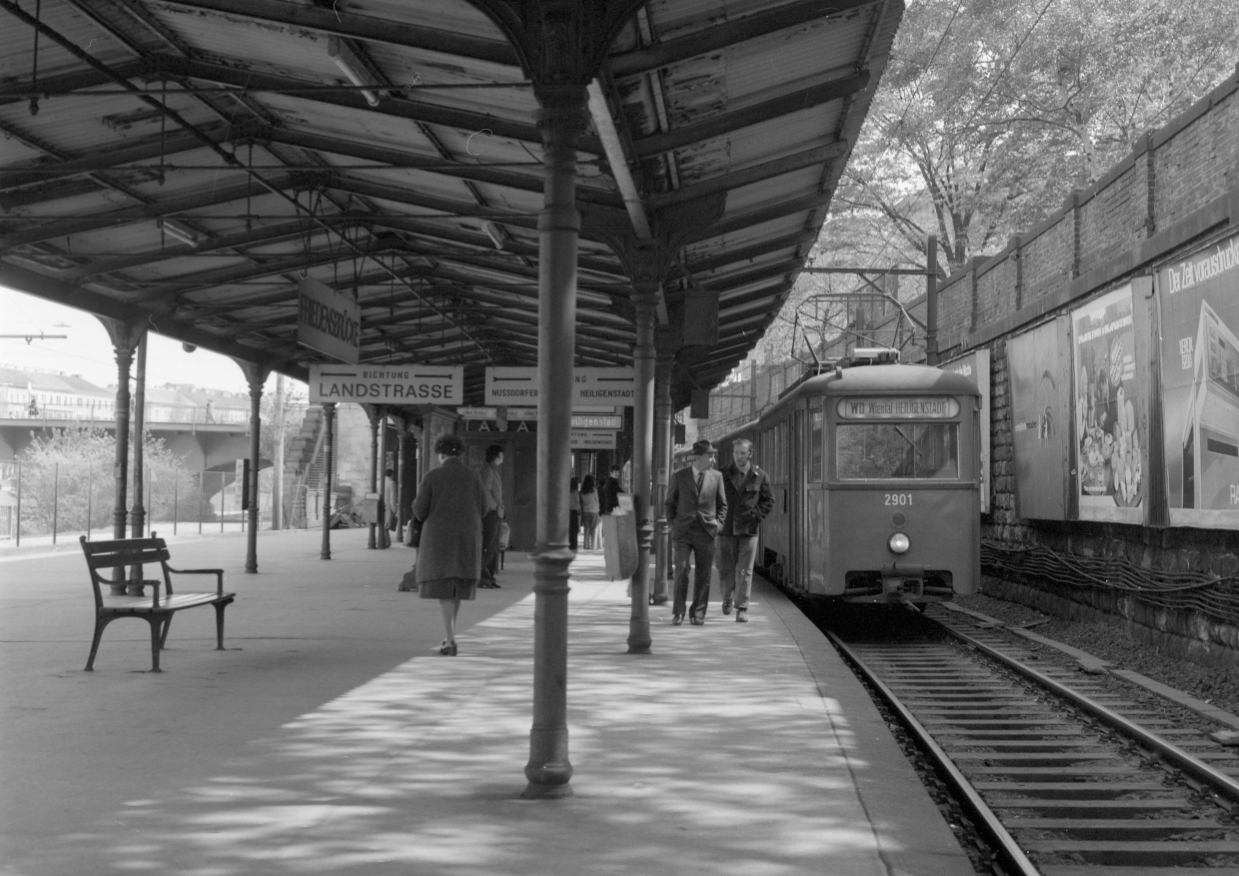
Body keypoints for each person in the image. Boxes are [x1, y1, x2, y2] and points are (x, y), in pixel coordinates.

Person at [411, 434, 492, 656]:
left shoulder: (432, 476)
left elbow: (419, 510)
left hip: (439, 540)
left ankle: (450, 639)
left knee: (445, 588)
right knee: (455, 588)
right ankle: (449, 636)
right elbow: (484, 508)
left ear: (441, 453)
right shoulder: (473, 476)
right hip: (467, 539)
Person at [664, 439, 727, 626]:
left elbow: (723, 505)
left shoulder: (717, 477)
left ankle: (698, 613)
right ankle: (679, 612)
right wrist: (671, 524)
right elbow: (669, 503)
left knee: (704, 575)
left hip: (706, 532)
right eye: (710, 455)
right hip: (683, 531)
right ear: (698, 457)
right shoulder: (679, 476)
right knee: (682, 570)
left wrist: (718, 525)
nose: (714, 459)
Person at [716, 438, 774, 623]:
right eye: (736, 453)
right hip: (726, 530)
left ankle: (741, 607)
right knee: (726, 569)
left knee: (744, 570)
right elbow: (713, 498)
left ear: (750, 454)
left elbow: (768, 500)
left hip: (748, 530)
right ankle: (727, 598)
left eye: (742, 453)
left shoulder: (760, 476)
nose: (738, 456)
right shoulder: (722, 474)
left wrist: (756, 515)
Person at [479, 444, 505, 588]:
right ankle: (485, 577)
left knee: (493, 546)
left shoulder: (493, 470)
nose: (504, 457)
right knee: (489, 546)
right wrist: (496, 506)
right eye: (502, 454)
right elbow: (485, 491)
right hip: (490, 513)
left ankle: (489, 577)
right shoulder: (489, 471)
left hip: (495, 513)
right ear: (497, 456)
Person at [579, 474, 600, 549]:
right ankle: (593, 546)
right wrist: (598, 509)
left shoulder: (582, 490)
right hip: (594, 510)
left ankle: (586, 546)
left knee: (586, 529)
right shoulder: (594, 490)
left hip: (585, 511)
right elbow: (597, 501)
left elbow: (581, 501)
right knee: (593, 529)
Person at [380, 467, 398, 548]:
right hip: (388, 506)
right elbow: (392, 497)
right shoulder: (392, 483)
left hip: (380, 504)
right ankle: (386, 541)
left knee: (383, 524)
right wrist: (394, 509)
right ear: (391, 474)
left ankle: (386, 541)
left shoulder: (379, 482)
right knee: (387, 524)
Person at [568, 475, 581, 552]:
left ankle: (569, 543)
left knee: (569, 528)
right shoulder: (575, 492)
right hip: (574, 511)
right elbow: (577, 502)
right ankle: (574, 544)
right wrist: (579, 511)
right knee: (574, 529)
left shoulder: (568, 491)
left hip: (568, 511)